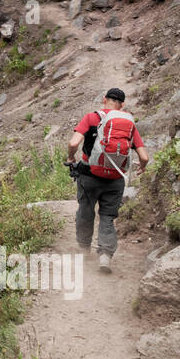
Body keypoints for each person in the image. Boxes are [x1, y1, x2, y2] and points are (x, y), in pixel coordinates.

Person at [64, 88, 150, 273]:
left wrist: (71, 158)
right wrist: (142, 167)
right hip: (115, 179)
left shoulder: (91, 118)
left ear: (105, 100)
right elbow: (144, 156)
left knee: (86, 211)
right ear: (123, 104)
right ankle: (104, 257)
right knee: (107, 217)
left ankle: (84, 249)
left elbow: (73, 143)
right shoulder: (128, 123)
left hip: (89, 175)